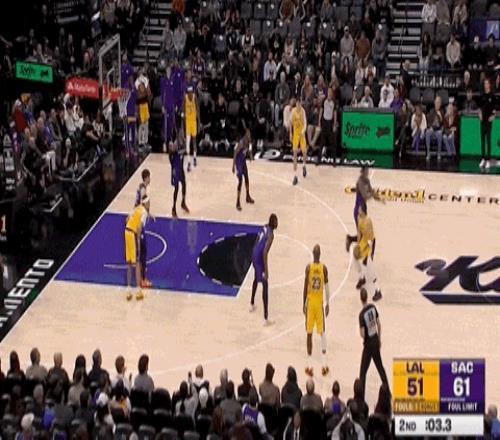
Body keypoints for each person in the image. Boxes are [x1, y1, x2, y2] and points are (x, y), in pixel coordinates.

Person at [303, 244, 330, 377]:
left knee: (309, 333)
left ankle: (310, 366)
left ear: (313, 254)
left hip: (311, 303)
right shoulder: (324, 268)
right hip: (319, 304)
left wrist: (303, 304)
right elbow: (327, 287)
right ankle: (324, 366)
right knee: (322, 332)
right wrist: (328, 303)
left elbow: (305, 287)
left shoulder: (308, 268)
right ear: (320, 254)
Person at [358, 288, 389, 398]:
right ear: (367, 297)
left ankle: (361, 397)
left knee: (363, 372)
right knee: (380, 367)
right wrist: (379, 339)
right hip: (375, 339)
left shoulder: (361, 314)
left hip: (368, 344)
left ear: (361, 299)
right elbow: (378, 325)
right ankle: (388, 391)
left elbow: (363, 334)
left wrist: (361, 332)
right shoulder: (373, 307)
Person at [250, 214, 279, 325]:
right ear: (273, 222)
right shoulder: (271, 235)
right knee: (265, 284)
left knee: (255, 278)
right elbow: (265, 253)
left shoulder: (264, 227)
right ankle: (265, 319)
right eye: (276, 221)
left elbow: (257, 239)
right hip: (259, 257)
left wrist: (254, 252)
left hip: (254, 253)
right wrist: (266, 270)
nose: (277, 223)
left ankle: (252, 303)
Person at [345, 167, 382, 252]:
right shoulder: (360, 182)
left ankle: (352, 240)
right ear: (362, 171)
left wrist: (378, 198)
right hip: (359, 209)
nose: (367, 173)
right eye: (366, 171)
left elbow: (371, 192)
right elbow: (365, 195)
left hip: (364, 208)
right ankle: (353, 243)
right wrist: (372, 195)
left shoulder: (367, 181)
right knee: (361, 234)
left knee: (364, 234)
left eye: (368, 171)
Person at [353, 202, 382, 301]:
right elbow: (359, 233)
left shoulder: (368, 222)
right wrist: (358, 245)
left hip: (370, 243)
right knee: (355, 259)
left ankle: (378, 291)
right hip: (363, 241)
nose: (358, 210)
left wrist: (366, 254)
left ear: (363, 211)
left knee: (369, 268)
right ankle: (362, 278)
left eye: (360, 209)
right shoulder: (359, 218)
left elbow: (370, 240)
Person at [125, 194, 150, 301]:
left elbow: (127, 219)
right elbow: (139, 227)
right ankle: (139, 291)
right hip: (133, 235)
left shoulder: (137, 208)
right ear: (147, 203)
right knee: (137, 263)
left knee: (129, 263)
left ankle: (128, 291)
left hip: (126, 232)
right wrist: (138, 241)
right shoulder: (144, 212)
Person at [134, 169, 152, 288]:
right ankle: (143, 279)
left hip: (139, 219)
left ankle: (141, 277)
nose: (150, 179)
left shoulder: (141, 187)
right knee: (142, 252)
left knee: (142, 253)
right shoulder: (143, 190)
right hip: (139, 223)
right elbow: (142, 203)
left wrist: (149, 214)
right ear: (146, 178)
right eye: (149, 177)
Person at [169, 122, 190, 218]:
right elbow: (170, 156)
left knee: (184, 184)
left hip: (180, 167)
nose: (183, 133)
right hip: (175, 168)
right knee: (176, 188)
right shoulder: (173, 144)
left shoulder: (182, 141)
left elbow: (184, 151)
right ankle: (173, 208)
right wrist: (172, 168)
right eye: (181, 131)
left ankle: (183, 202)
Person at [232, 129, 255, 211]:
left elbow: (249, 151)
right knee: (240, 181)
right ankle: (237, 202)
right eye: (248, 134)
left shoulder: (249, 142)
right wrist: (233, 166)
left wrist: (250, 156)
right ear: (245, 135)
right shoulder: (241, 142)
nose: (249, 135)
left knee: (247, 178)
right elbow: (235, 153)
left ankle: (247, 196)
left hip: (243, 161)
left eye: (250, 134)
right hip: (238, 163)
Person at [479, 78, 496, 170]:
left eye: (487, 83)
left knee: (488, 140)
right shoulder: (482, 96)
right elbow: (479, 108)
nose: (485, 85)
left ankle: (488, 160)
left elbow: (495, 110)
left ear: (489, 85)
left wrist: (493, 116)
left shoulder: (492, 96)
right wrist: (479, 114)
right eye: (484, 83)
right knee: (482, 141)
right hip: (482, 121)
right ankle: (483, 159)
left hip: (488, 122)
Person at [290, 98, 307, 185]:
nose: (298, 105)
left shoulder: (303, 111)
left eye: (300, 104)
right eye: (297, 104)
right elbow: (290, 123)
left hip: (301, 134)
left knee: (304, 152)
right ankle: (295, 176)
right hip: (296, 134)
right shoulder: (293, 111)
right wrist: (290, 133)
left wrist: (302, 132)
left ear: (301, 104)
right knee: (295, 154)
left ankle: (304, 165)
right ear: (296, 104)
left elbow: (305, 124)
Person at [183, 85, 198, 171]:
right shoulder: (185, 98)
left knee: (194, 141)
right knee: (188, 142)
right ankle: (189, 161)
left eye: (191, 92)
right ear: (187, 93)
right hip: (188, 122)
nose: (190, 94)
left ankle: (195, 157)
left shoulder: (195, 98)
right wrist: (183, 120)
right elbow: (183, 109)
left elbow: (198, 109)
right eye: (189, 93)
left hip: (194, 122)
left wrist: (199, 122)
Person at [425, 96, 444, 161]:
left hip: (438, 130)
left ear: (440, 104)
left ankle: (439, 153)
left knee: (439, 133)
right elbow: (428, 122)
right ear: (434, 103)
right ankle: (428, 153)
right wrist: (430, 127)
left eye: (439, 103)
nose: (437, 104)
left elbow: (443, 123)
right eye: (436, 102)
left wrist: (440, 116)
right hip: (432, 129)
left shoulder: (442, 111)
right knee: (427, 132)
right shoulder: (431, 111)